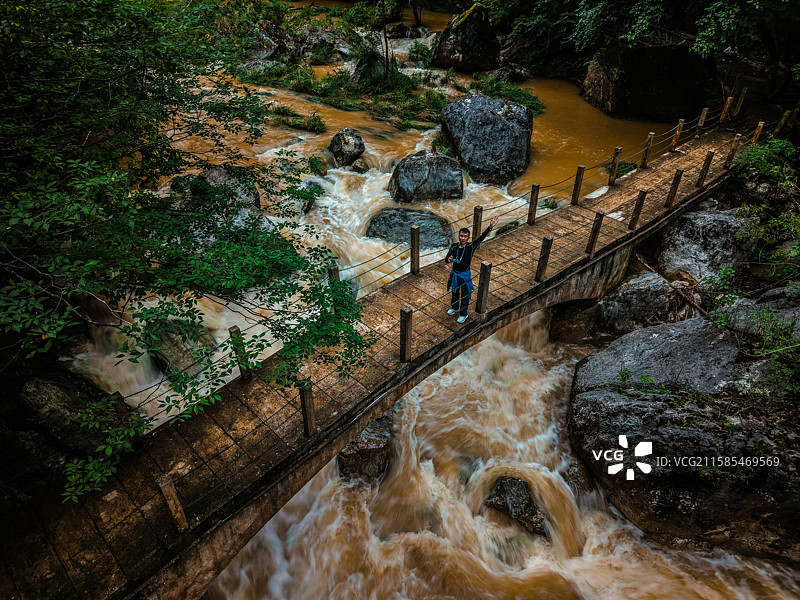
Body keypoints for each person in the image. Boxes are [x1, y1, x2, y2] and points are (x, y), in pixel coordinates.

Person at [444, 215, 499, 323]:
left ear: (468, 237)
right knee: (454, 292)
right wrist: (449, 260)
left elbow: (481, 238)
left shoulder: (471, 247)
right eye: (461, 236)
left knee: (464, 295)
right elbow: (446, 258)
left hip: (464, 275)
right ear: (459, 236)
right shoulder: (454, 246)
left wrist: (490, 227)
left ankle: (464, 314)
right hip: (455, 274)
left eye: (465, 236)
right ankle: (455, 308)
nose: (463, 238)